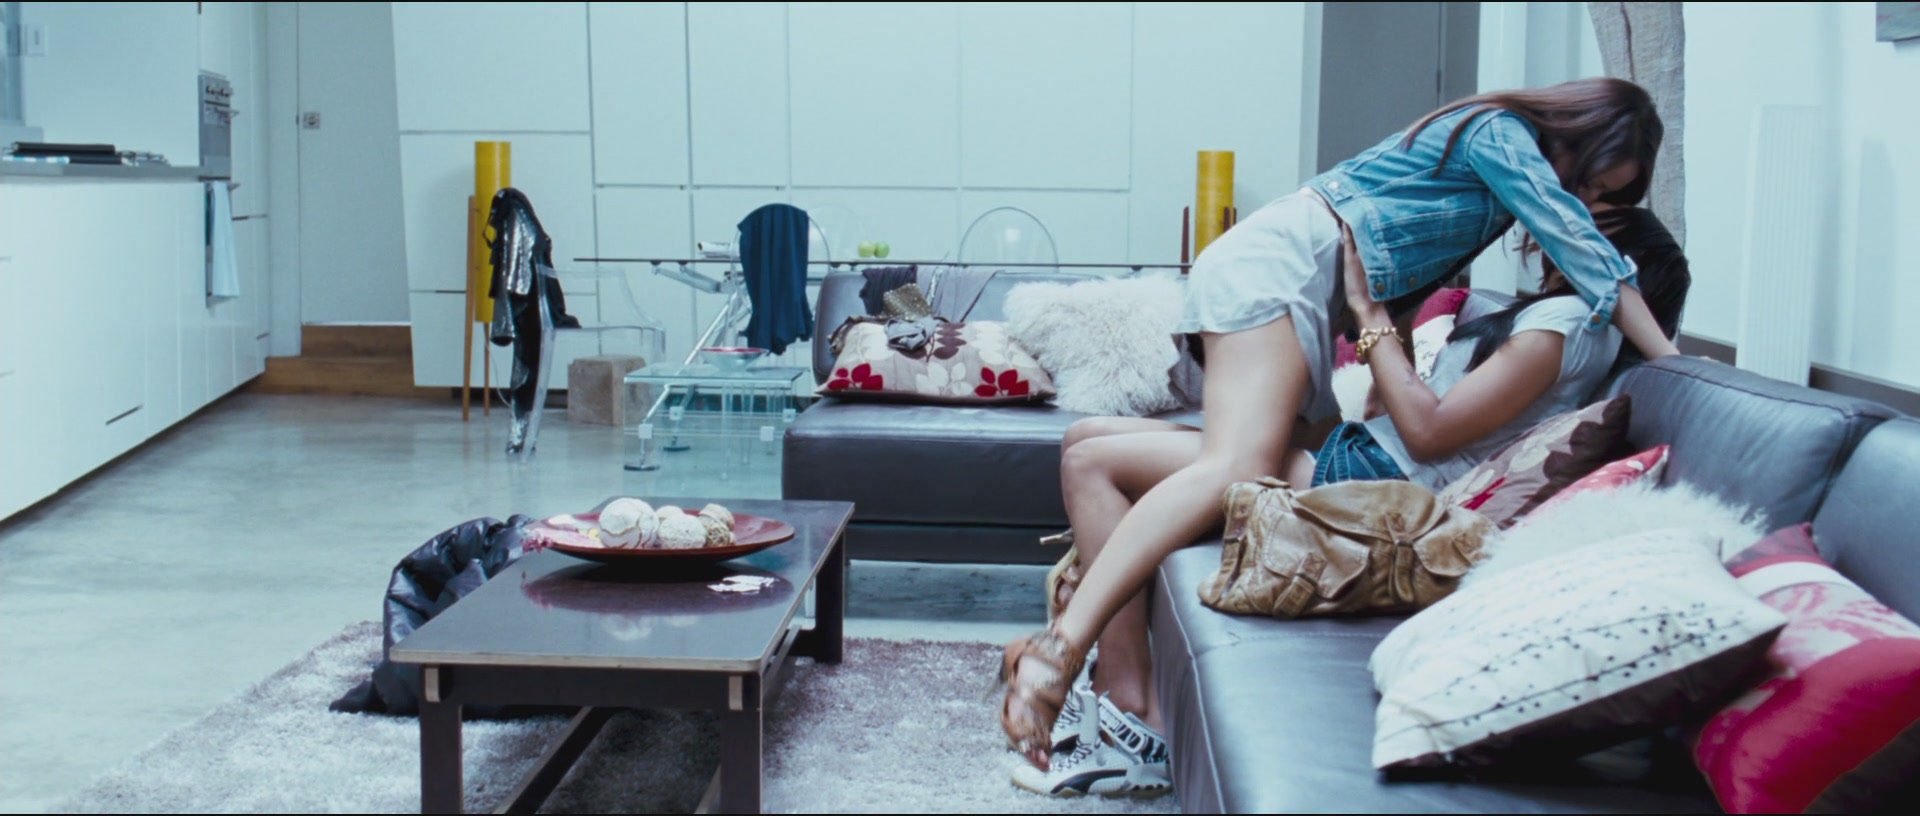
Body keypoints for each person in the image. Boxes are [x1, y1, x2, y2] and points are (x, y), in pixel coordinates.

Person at [1000, 76, 1684, 785]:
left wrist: (1384, 368)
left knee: (1091, 446)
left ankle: (1124, 701)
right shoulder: (1498, 134)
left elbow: (1398, 266)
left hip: (1283, 269)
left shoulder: (1493, 194)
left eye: (1604, 198)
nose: (1584, 204)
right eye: (1594, 183)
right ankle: (1063, 656)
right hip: (1279, 266)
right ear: (1582, 133)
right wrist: (1671, 359)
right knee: (1233, 467)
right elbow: (1589, 254)